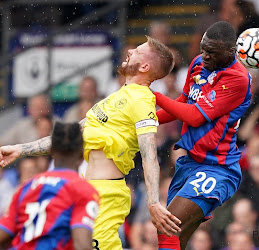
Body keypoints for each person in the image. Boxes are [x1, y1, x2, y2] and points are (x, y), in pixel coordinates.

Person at [0, 36, 181, 250]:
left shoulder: (142, 99)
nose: (130, 50)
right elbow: (71, 135)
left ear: (145, 66)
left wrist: (152, 202)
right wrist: (21, 149)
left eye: (138, 51)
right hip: (86, 187)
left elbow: (149, 153)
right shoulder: (111, 99)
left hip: (107, 194)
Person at [152, 21, 252, 250]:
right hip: (190, 164)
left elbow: (195, 116)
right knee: (175, 237)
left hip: (218, 167)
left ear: (230, 52)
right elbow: (182, 103)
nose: (204, 56)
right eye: (202, 49)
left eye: (211, 52)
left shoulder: (238, 78)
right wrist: (147, 119)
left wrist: (153, 95)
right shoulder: (198, 64)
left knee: (168, 225)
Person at [0, 122, 99, 250]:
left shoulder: (27, 187)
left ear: (51, 151)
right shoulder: (84, 190)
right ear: (82, 153)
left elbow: (4, 235)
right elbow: (82, 245)